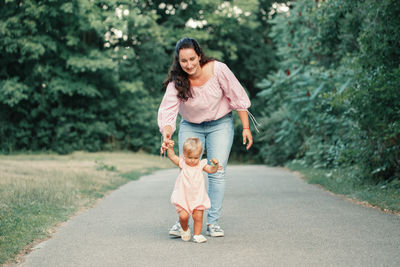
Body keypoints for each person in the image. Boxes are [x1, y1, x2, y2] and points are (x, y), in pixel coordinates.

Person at [158, 37, 253, 238]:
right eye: (184, 61)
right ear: (178, 61)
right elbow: (168, 111)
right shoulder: (177, 82)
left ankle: (213, 222)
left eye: (192, 59)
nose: (189, 65)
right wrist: (167, 133)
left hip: (220, 123)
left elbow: (236, 96)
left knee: (216, 171)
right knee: (187, 171)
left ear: (199, 55)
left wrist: (245, 127)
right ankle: (182, 222)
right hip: (191, 125)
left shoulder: (218, 69)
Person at [166, 137, 222, 243]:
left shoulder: (201, 165)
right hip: (183, 197)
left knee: (198, 216)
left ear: (200, 155)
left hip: (197, 197)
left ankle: (197, 234)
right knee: (183, 216)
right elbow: (172, 157)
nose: (192, 160)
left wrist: (215, 165)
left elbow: (211, 170)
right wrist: (170, 148)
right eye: (190, 157)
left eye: (196, 158)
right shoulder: (182, 163)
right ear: (184, 154)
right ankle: (185, 229)